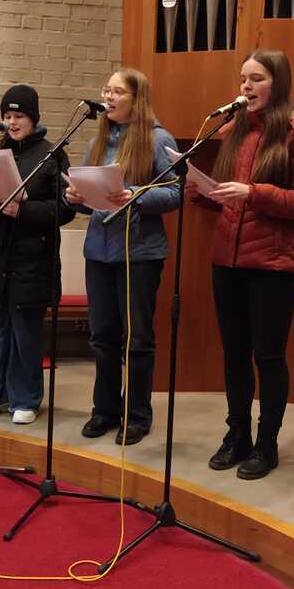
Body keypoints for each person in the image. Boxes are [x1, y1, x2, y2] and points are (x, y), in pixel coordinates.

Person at [187, 50, 294, 480]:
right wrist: (203, 191)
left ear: (279, 83)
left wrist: (253, 193)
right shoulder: (236, 129)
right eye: (243, 79)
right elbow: (232, 199)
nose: (246, 86)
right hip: (228, 262)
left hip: (274, 265)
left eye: (256, 78)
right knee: (234, 354)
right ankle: (236, 434)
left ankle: (266, 444)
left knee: (268, 357)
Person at [65, 68, 180, 446]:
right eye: (106, 90)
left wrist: (136, 195)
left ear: (136, 99)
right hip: (99, 251)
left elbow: (176, 192)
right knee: (102, 337)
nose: (109, 97)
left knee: (137, 339)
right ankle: (105, 410)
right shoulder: (98, 141)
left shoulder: (158, 139)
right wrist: (75, 198)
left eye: (117, 92)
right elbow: (89, 199)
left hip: (139, 253)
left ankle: (137, 415)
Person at [0, 85, 74, 425]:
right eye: (7, 116)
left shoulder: (51, 155)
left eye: (19, 116)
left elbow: (65, 208)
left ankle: (26, 397)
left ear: (33, 118)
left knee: (24, 331)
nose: (12, 122)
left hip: (31, 257)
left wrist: (23, 210)